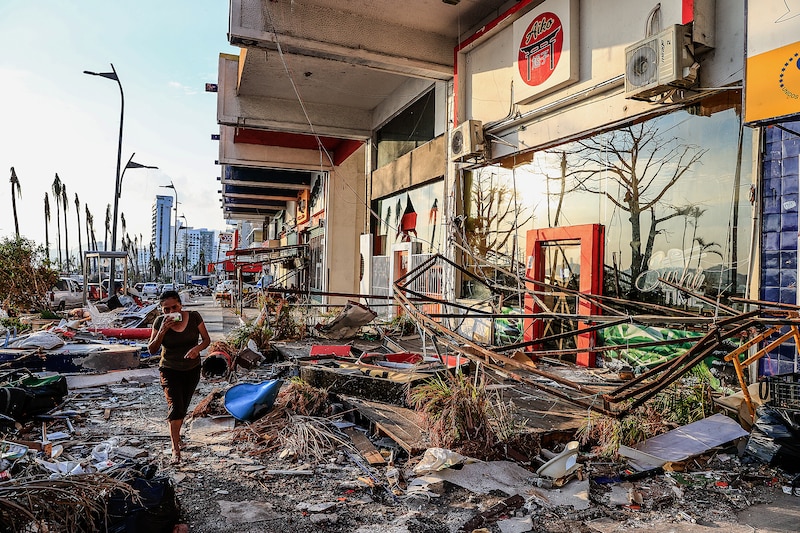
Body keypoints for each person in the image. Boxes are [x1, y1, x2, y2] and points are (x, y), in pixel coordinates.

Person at [147, 290, 210, 464]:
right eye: (166, 309)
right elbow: (151, 349)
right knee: (175, 408)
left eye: (174, 307)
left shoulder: (194, 317)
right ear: (161, 310)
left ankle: (177, 437)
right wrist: (162, 331)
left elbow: (206, 340)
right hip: (169, 369)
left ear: (180, 305)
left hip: (192, 369)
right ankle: (175, 449)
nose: (170, 312)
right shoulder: (160, 322)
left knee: (183, 406)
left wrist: (197, 349)